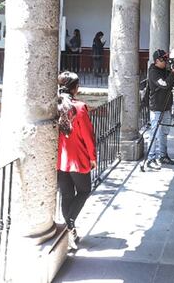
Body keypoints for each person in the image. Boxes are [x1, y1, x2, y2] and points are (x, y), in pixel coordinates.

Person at [56, 71, 97, 248]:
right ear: (75, 88)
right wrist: (92, 157)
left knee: (66, 194)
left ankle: (69, 231)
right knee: (84, 190)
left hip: (60, 159)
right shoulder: (79, 108)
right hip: (77, 157)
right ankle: (69, 224)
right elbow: (88, 135)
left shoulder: (55, 105)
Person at [146, 49, 174, 169]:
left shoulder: (165, 70)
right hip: (157, 107)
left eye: (166, 58)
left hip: (166, 106)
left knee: (164, 132)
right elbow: (164, 84)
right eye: (164, 59)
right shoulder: (153, 72)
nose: (166, 61)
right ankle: (151, 158)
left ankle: (163, 155)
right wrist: (172, 73)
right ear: (157, 60)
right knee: (154, 133)